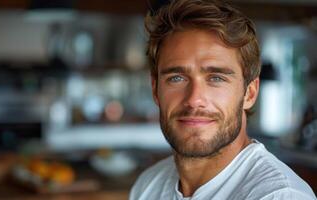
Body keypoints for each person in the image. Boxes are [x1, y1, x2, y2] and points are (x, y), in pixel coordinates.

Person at [129, 0, 317, 199]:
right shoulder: (147, 186)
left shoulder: (279, 196)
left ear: (250, 93)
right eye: (177, 78)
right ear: (156, 90)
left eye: (216, 78)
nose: (194, 99)